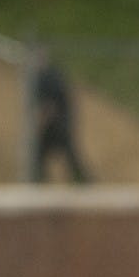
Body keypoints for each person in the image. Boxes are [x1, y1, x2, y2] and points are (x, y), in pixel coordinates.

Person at [30, 48, 91, 184]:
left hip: (58, 125)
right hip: (59, 124)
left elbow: (50, 106)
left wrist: (40, 124)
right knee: (40, 155)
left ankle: (83, 183)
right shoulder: (48, 75)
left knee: (63, 154)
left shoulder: (47, 77)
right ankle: (38, 182)